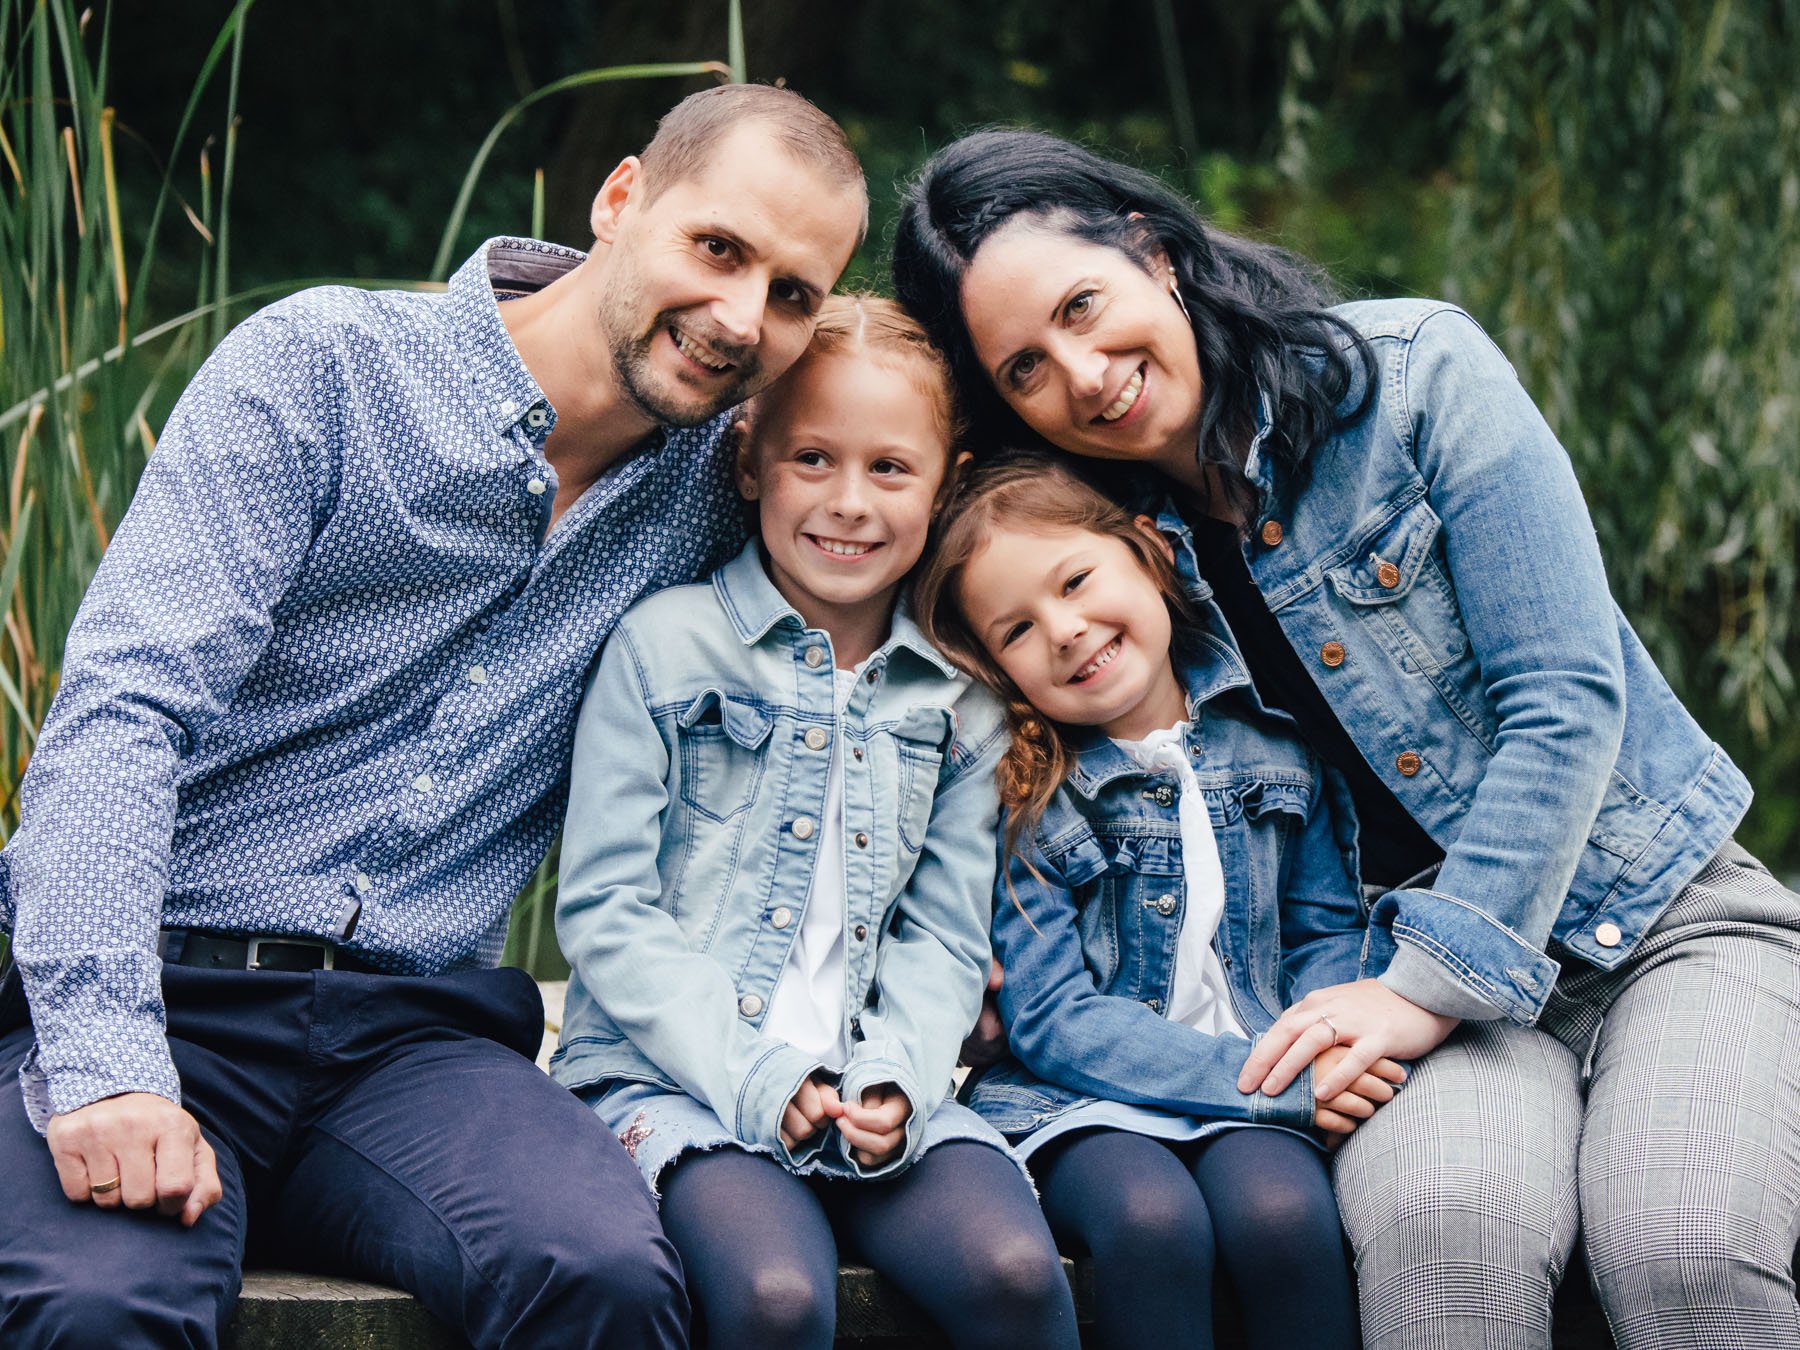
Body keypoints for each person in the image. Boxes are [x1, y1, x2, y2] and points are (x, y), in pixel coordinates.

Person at [892, 127, 1800, 1350]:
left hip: (1653, 915)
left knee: (1680, 1243)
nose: (1085, 372)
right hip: (1372, 964)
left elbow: (1564, 696)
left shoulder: (1417, 377)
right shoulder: (1094, 544)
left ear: (1155, 253)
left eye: (1084, 307)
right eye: (1025, 368)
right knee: (1444, 1232)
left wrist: (1429, 990)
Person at [0, 83, 867, 1349]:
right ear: (620, 198)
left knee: (603, 1276)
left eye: (793, 294)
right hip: (165, 981)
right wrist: (107, 1064)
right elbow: (123, 716)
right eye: (718, 248)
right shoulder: (326, 369)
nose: (742, 319)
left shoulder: (727, 492)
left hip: (415, 1038)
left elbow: (952, 538)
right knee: (96, 1309)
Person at [549, 295, 1079, 1349]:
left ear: (946, 483)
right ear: (748, 464)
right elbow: (606, 911)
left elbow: (941, 934)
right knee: (778, 1295)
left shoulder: (957, 701)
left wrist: (898, 1078)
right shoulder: (665, 648)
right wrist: (761, 1075)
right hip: (683, 1082)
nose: (848, 502)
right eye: (811, 461)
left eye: (889, 469)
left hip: (882, 1079)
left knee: (1015, 1274)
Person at [914, 453, 1403, 1350]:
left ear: (1150, 554)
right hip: (1080, 1104)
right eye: (1017, 629)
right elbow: (1052, 1018)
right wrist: (1269, 1087)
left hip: (1261, 1075)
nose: (1063, 630)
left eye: (1076, 581)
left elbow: (1324, 936)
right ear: (996, 668)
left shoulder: (1282, 751)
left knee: (1283, 1218)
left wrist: (1321, 1050)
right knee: (1151, 1223)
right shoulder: (1025, 797)